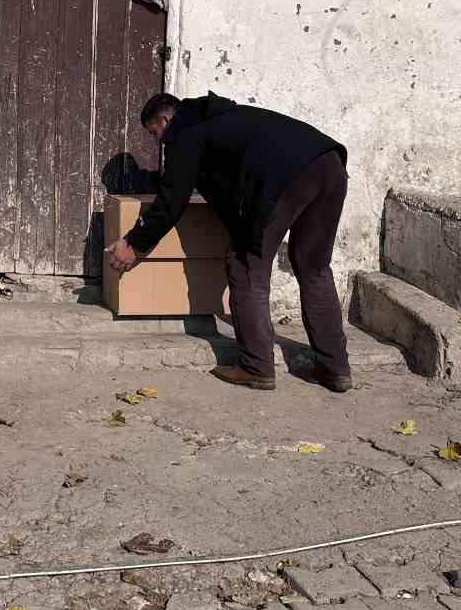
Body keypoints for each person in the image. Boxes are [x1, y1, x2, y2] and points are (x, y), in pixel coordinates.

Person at [106, 91, 353, 393]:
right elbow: (188, 180)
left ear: (166, 119)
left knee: (245, 264)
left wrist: (134, 243)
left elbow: (172, 202)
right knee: (314, 268)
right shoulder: (218, 119)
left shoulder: (184, 132)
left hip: (285, 177)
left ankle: (256, 367)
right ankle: (335, 369)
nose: (160, 142)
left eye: (156, 134)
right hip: (328, 164)